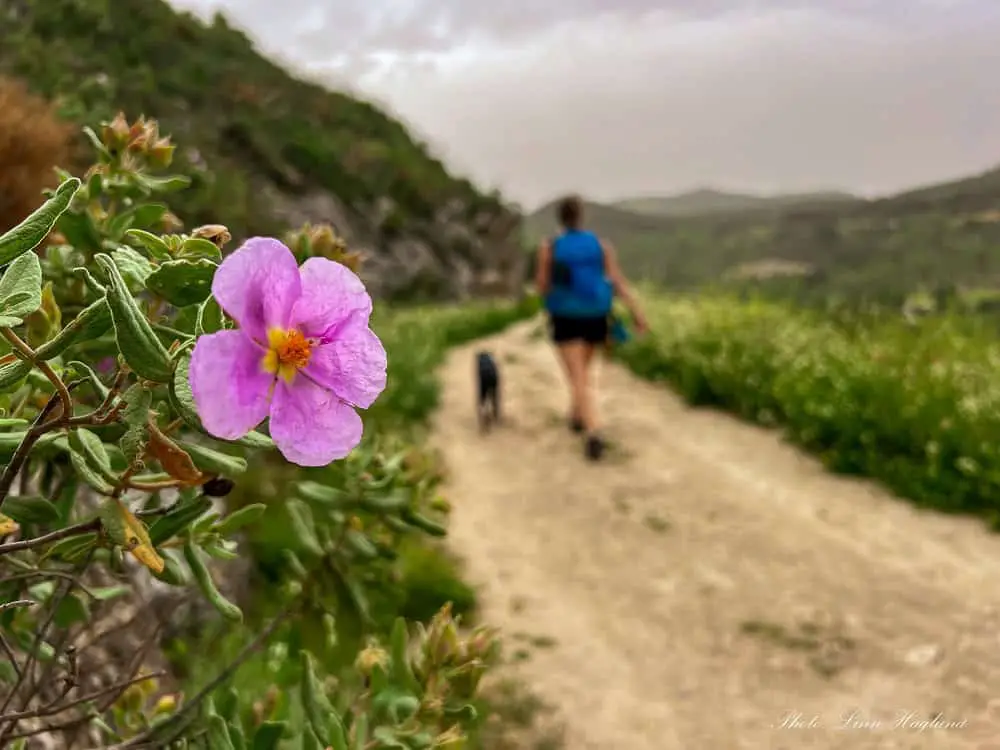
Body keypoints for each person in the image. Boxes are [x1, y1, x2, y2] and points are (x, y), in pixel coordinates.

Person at [534, 194, 648, 461]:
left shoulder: (549, 246)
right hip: (597, 315)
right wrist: (637, 314)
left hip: (565, 315)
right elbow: (617, 281)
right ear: (582, 217)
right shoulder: (601, 245)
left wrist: (554, 286)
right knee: (584, 373)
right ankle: (576, 414)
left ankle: (594, 430)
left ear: (559, 218)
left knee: (578, 377)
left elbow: (541, 286)